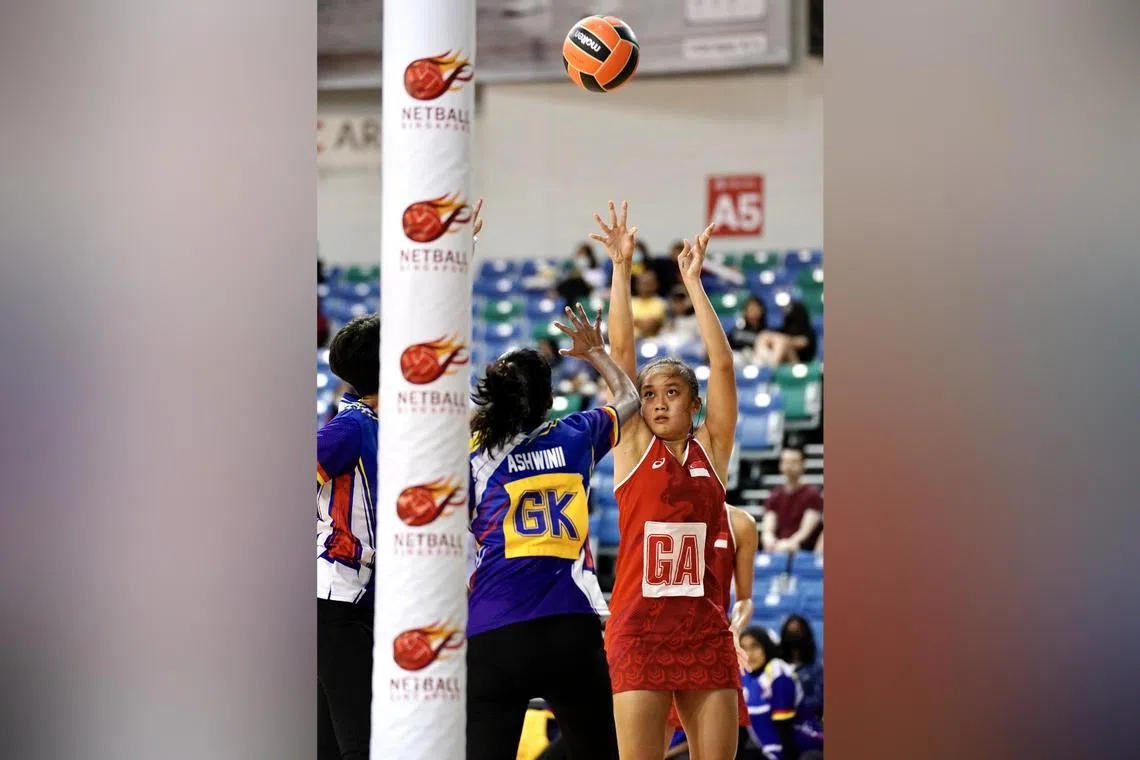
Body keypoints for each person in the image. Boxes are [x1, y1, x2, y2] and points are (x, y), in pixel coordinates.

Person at [593, 199, 742, 760]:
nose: (656, 403)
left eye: (671, 393)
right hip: (639, 629)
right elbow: (621, 354)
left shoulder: (713, 447)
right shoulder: (632, 445)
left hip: (704, 629)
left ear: (694, 404)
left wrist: (693, 283)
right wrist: (620, 268)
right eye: (650, 395)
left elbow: (722, 365)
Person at [466, 303, 640, 760]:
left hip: (493, 627)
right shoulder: (577, 434)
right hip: (570, 626)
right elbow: (630, 398)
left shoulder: (473, 456)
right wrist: (597, 353)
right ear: (548, 401)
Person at [316, 314, 380, 760]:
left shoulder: (379, 421)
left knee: (330, 743)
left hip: (357, 600)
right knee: (362, 743)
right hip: (338, 597)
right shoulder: (351, 427)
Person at [663, 503, 760, 758]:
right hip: (660, 644)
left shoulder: (740, 523)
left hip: (710, 645)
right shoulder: (662, 511)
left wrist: (735, 629)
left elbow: (745, 599)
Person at [738, 627, 824, 760]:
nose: (749, 654)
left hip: (804, 749)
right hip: (770, 752)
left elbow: (784, 727)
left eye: (755, 647)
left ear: (766, 646)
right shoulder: (744, 676)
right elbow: (741, 730)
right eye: (743, 648)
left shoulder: (778, 673)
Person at [760, 446, 823, 554]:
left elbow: (804, 532)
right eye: (785, 462)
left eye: (794, 462)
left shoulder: (812, 494)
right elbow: (768, 529)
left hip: (803, 552)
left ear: (803, 465)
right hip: (778, 549)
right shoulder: (774, 495)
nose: (789, 466)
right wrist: (769, 540)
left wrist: (789, 543)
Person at [778, 615, 824, 721]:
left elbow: (818, 701)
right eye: (790, 632)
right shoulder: (775, 665)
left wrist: (794, 704)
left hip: (806, 721)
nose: (793, 636)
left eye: (797, 631)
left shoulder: (817, 669)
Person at [755, 301, 817, 367]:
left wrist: (785, 340)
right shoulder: (786, 327)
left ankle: (770, 367)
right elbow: (773, 334)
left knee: (782, 341)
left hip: (799, 364)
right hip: (782, 358)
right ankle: (758, 362)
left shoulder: (807, 330)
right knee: (764, 335)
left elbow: (803, 342)